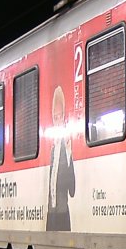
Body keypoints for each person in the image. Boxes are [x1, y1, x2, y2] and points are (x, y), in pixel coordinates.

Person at [46, 85, 76, 230]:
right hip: (51, 210)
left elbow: (72, 187)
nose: (58, 120)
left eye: (60, 116)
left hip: (62, 210)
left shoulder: (67, 144)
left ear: (64, 116)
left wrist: (69, 153)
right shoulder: (51, 147)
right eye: (55, 117)